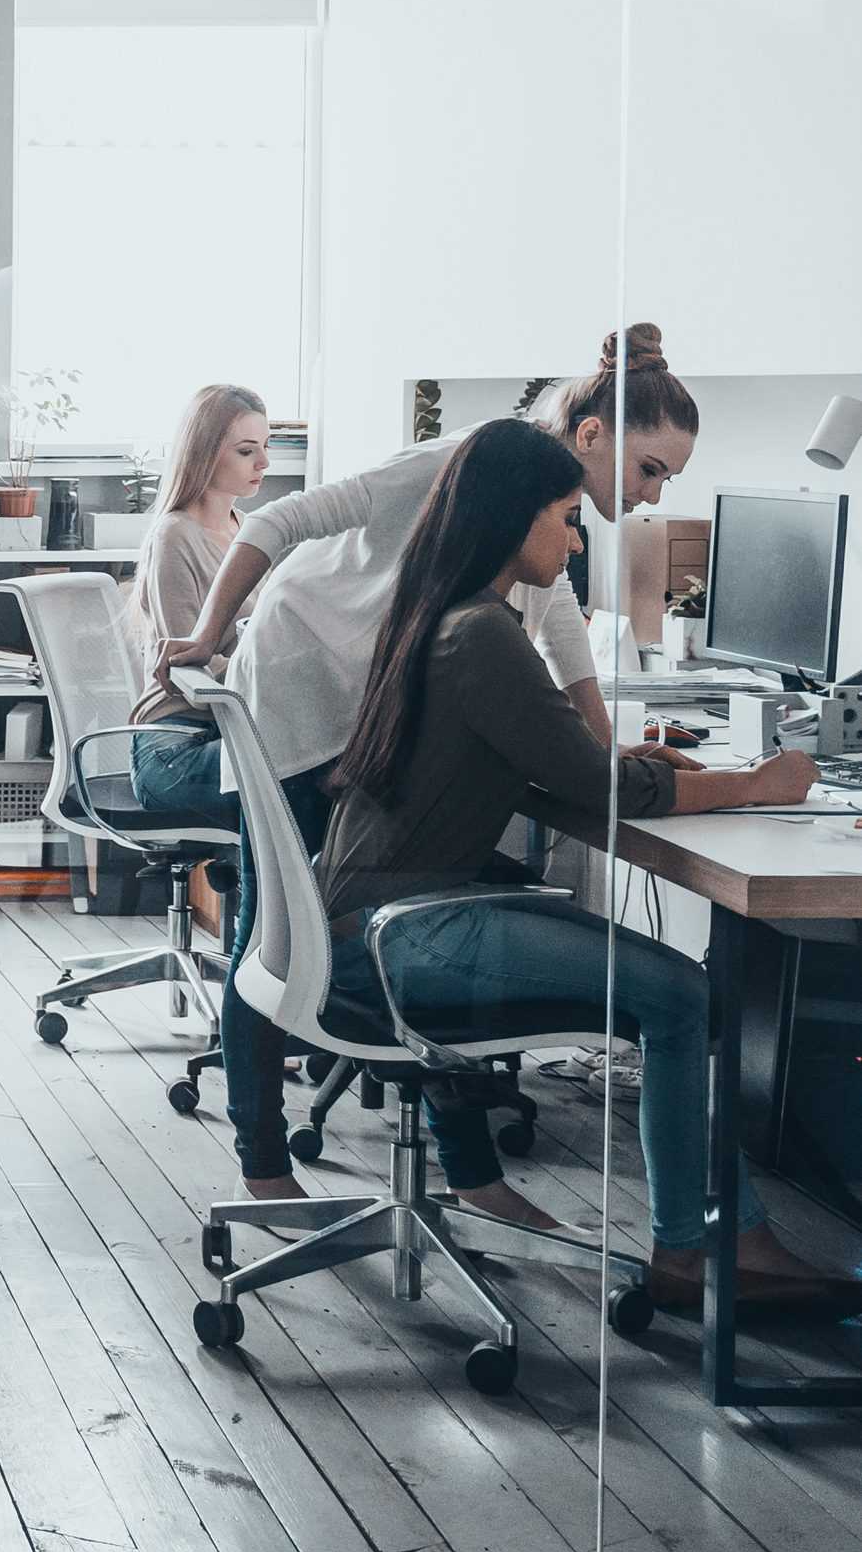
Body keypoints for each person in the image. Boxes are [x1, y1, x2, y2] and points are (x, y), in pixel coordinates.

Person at [319, 418, 858, 1314]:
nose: (576, 541)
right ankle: (704, 1248)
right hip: (407, 933)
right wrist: (757, 783)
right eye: (567, 518)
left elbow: (575, 765)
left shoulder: (442, 615)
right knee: (680, 996)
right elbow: (595, 786)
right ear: (512, 518)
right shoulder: (481, 632)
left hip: (373, 919)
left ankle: (717, 1237)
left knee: (672, 988)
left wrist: (666, 771)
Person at [158, 325, 699, 1209]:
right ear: (594, 436)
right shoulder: (462, 463)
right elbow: (281, 520)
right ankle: (262, 1164)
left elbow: (559, 625)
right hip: (304, 688)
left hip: (377, 702)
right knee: (279, 928)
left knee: (434, 889)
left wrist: (596, 750)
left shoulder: (536, 513)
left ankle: (473, 1175)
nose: (649, 494)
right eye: (649, 470)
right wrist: (211, 635)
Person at [125, 383, 271, 820]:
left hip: (230, 731)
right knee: (290, 783)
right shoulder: (175, 534)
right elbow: (188, 670)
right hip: (175, 745)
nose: (265, 463)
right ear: (205, 453)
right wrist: (277, 678)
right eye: (247, 451)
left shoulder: (244, 528)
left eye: (266, 446)